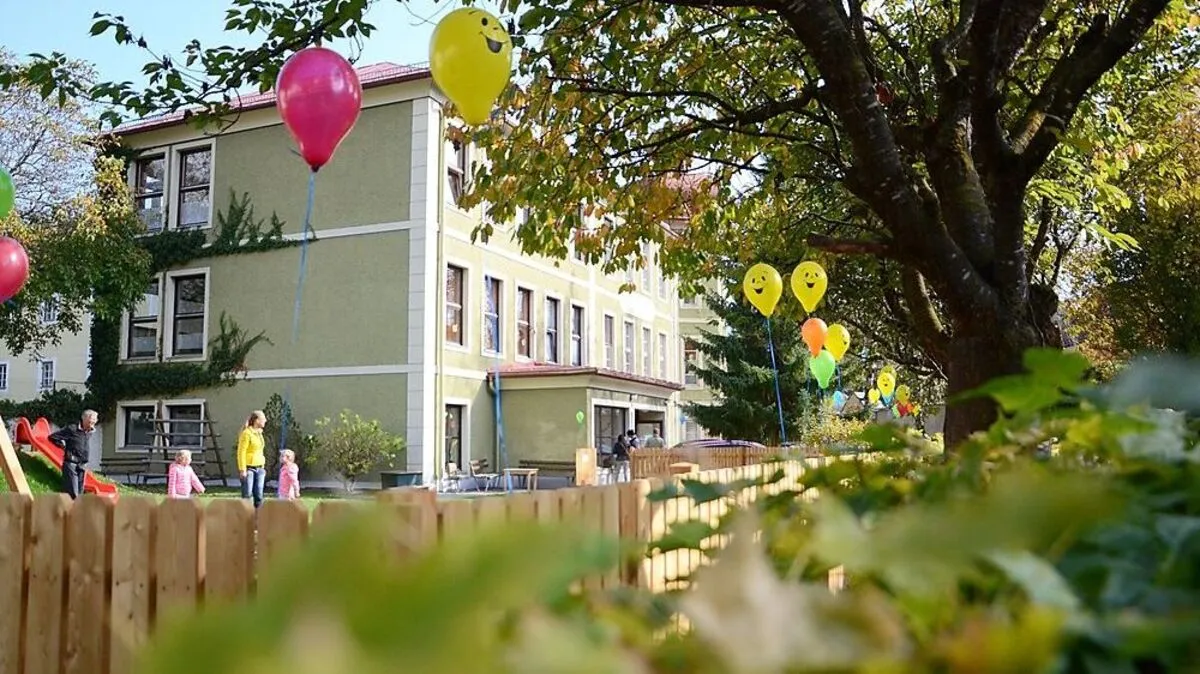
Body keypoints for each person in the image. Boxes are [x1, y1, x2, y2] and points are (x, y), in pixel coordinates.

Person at [49, 410, 98, 499]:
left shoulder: (89, 432)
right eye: (92, 419)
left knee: (80, 494)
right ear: (84, 418)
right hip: (71, 464)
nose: (94, 422)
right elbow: (53, 437)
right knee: (73, 494)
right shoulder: (72, 429)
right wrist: (62, 446)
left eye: (95, 419)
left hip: (82, 465)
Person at [237, 410, 268, 508]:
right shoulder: (247, 433)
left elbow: (260, 450)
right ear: (256, 420)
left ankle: (258, 518)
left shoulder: (259, 434)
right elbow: (241, 452)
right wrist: (243, 469)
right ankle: (245, 518)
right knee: (247, 495)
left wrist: (263, 465)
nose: (265, 420)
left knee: (259, 495)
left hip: (260, 468)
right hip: (249, 468)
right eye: (263, 419)